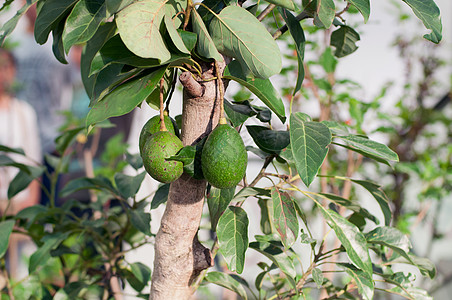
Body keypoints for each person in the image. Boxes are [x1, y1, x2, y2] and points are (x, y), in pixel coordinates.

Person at [0, 47, 41, 278]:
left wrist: (31, 201)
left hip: (20, 200)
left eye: (7, 67)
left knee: (21, 270)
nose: (3, 73)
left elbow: (33, 158)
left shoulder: (24, 112)